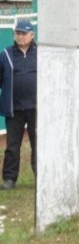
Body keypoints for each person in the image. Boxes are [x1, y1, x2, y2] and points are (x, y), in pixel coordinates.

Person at [1, 19, 37, 190]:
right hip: (14, 109)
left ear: (32, 35)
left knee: (38, 143)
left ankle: (41, 176)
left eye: (24, 33)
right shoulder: (6, 54)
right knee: (12, 145)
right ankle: (9, 179)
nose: (21, 36)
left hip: (37, 108)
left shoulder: (41, 54)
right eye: (18, 33)